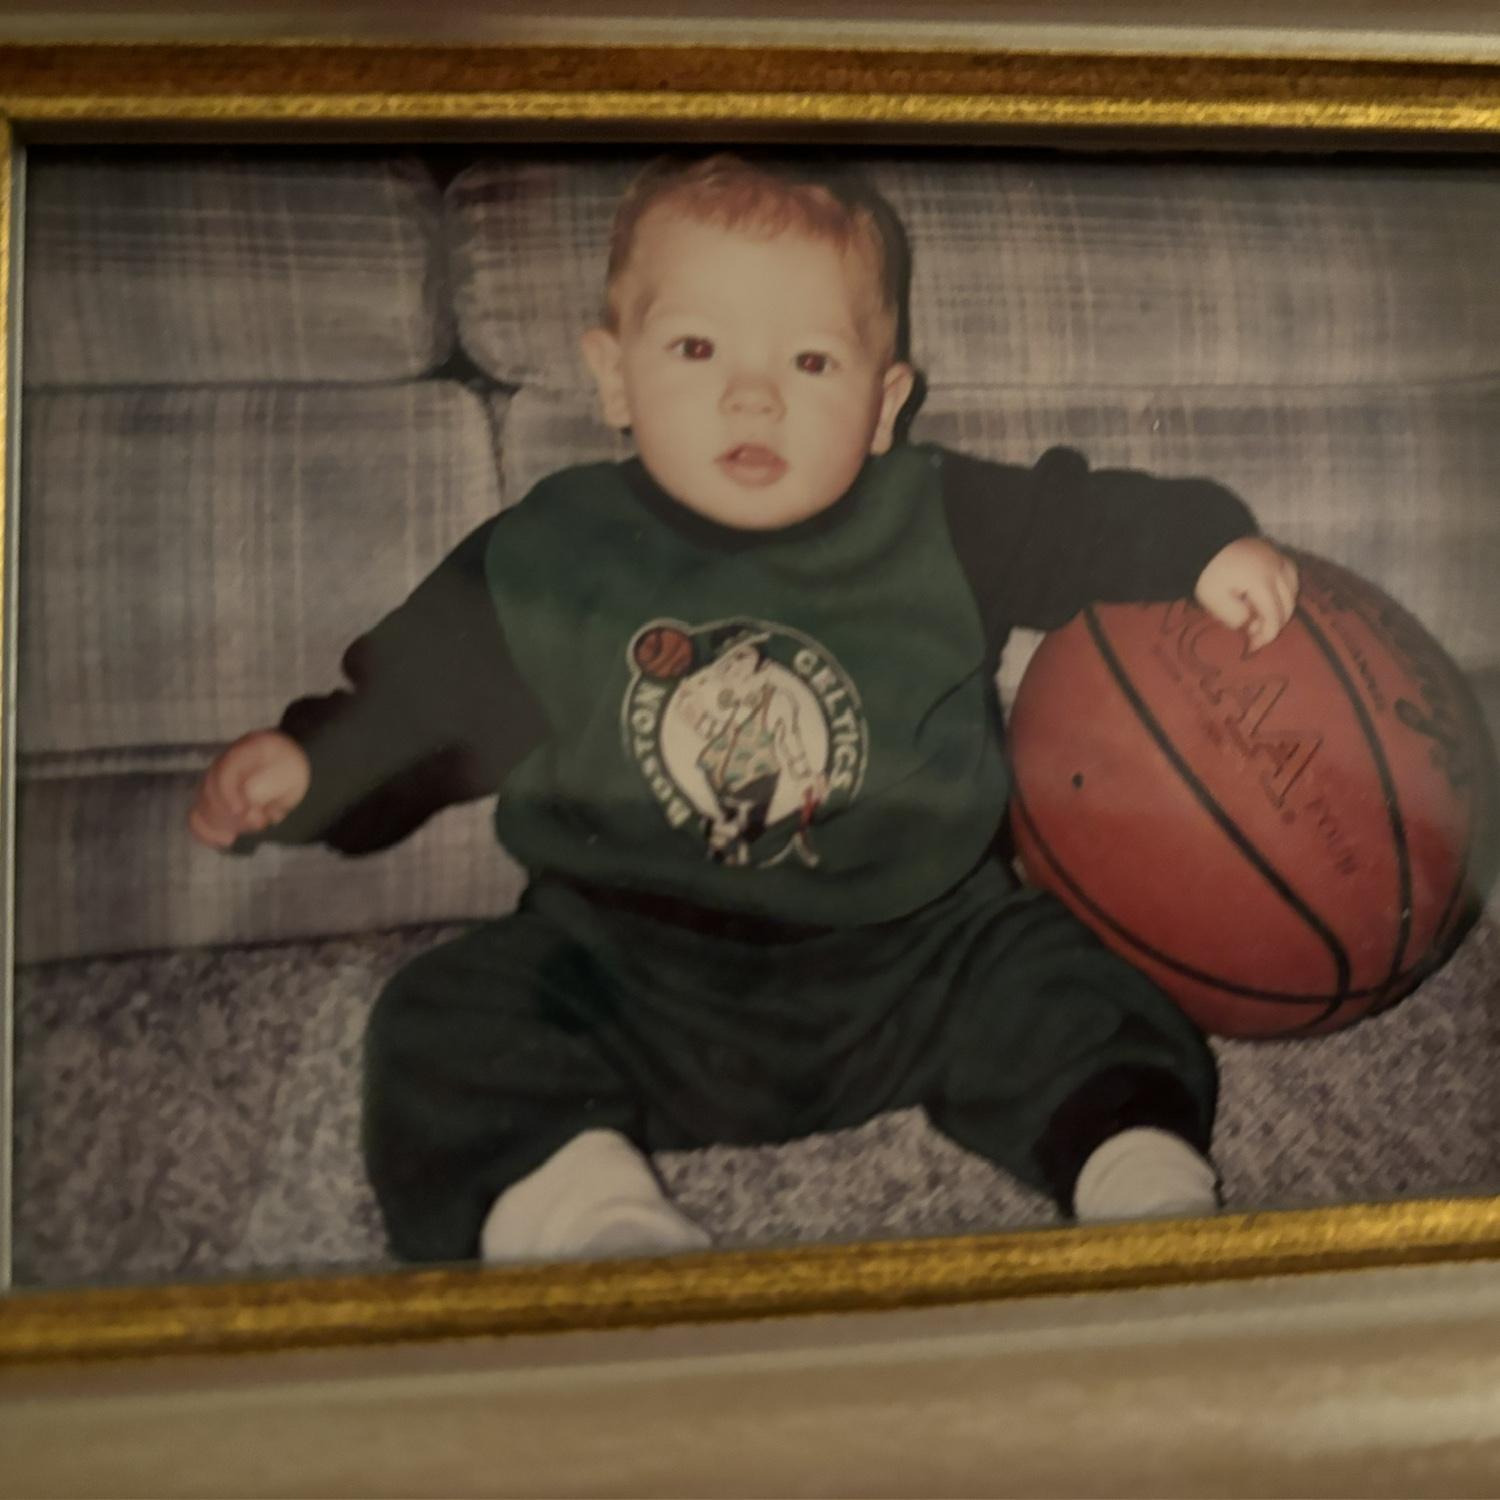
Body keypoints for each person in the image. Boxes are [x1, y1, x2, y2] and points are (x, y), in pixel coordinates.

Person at [189, 154, 1300, 1264]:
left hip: (925, 954)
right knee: (443, 1016)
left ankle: (1142, 1189)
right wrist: (316, 764)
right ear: (614, 378)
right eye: (696, 349)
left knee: (1080, 989)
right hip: (630, 962)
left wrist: (1200, 546)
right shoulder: (559, 549)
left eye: (810, 361)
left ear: (884, 407)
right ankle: (591, 1225)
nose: (753, 394)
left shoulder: (939, 513)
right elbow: (425, 699)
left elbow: (1080, 521)